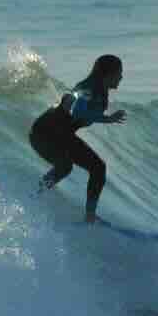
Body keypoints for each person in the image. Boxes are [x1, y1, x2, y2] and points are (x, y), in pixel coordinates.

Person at [31, 53, 127, 223]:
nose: (121, 77)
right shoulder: (89, 89)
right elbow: (77, 110)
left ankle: (88, 215)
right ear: (109, 74)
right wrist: (107, 119)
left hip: (60, 134)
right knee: (71, 166)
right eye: (119, 72)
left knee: (92, 167)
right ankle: (35, 197)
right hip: (44, 132)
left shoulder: (98, 89)